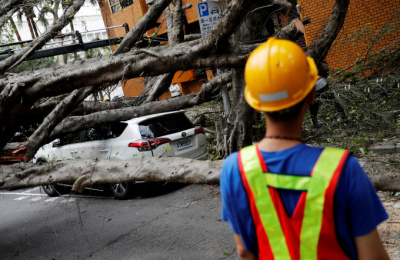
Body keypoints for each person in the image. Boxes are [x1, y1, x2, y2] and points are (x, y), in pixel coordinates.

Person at [220, 37, 389, 260]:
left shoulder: (235, 168)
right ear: (311, 96)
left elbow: (244, 251)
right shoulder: (344, 169)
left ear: (256, 105)